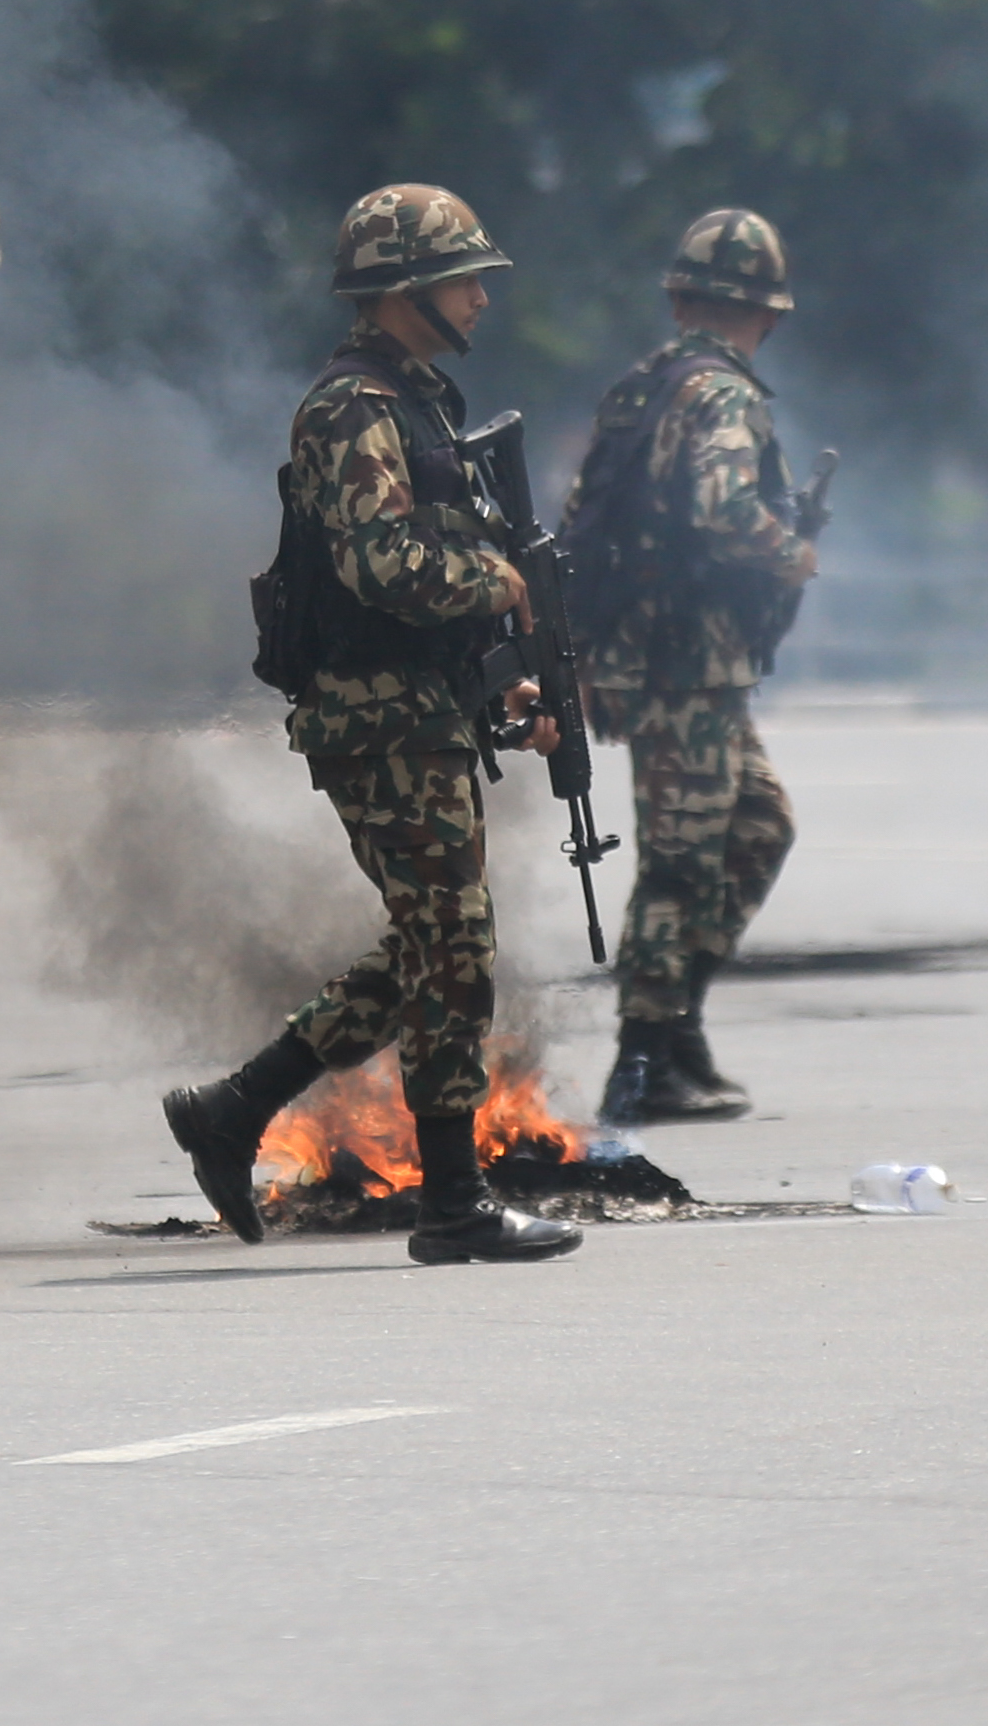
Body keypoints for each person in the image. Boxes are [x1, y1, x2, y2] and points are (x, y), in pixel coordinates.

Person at [164, 185, 582, 1265]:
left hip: (421, 710)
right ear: (404, 290)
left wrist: (504, 688)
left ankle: (231, 1111)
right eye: (462, 278)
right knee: (452, 946)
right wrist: (498, 583)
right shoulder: (351, 408)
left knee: (431, 944)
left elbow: (424, 580)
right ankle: (452, 1204)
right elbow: (380, 566)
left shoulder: (417, 402)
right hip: (375, 721)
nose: (481, 298)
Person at [565, 208, 817, 1122]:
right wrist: (788, 551)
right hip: (683, 664)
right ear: (770, 315)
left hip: (658, 658)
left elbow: (582, 516)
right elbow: (722, 508)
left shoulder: (638, 391)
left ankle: (677, 1026)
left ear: (677, 300)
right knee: (679, 859)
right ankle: (644, 1060)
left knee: (758, 826)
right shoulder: (722, 396)